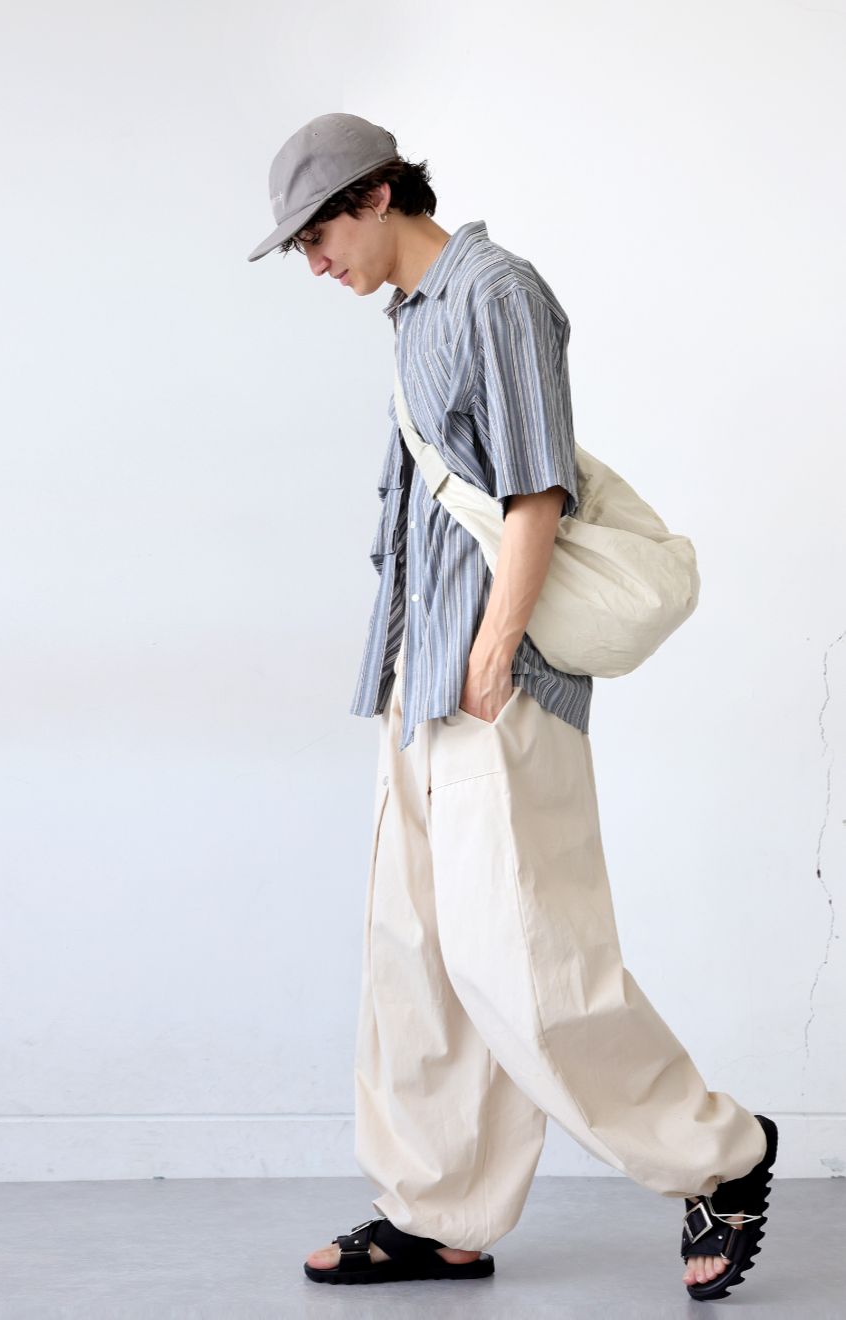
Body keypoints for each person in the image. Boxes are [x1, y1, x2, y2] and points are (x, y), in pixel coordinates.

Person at [248, 112, 778, 1302]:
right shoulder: (411, 316)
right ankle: (440, 1213)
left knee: (530, 961)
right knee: (417, 961)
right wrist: (413, 670)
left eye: (318, 234)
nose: (313, 261)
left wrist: (493, 649)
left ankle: (723, 1156)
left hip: (498, 678)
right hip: (418, 677)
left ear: (376, 196)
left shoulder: (496, 293)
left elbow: (536, 492)